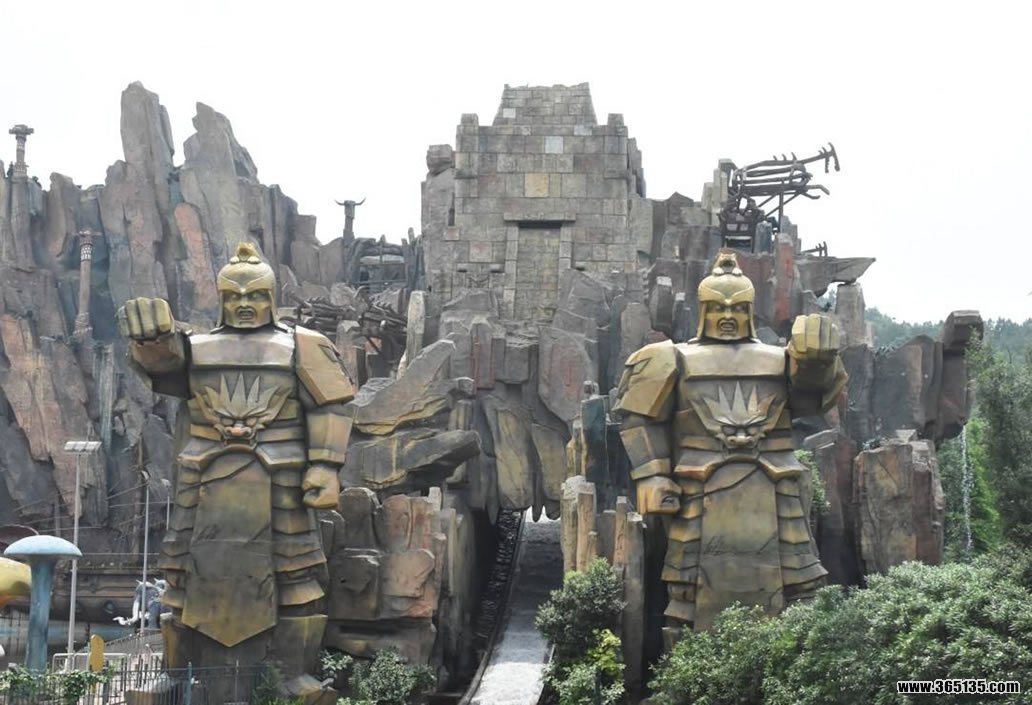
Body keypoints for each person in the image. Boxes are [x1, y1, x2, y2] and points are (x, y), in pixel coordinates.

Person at [118, 242, 355, 697]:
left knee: (296, 578)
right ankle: (176, 674)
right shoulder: (197, 348)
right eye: (235, 296)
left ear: (272, 297)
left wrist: (326, 466)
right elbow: (163, 363)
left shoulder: (302, 345)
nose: (245, 305)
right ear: (222, 299)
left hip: (283, 481)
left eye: (256, 295)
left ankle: (292, 676)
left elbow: (330, 406)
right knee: (180, 580)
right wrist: (150, 339)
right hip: (201, 484)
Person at [614, 249, 846, 645]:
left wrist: (817, 362)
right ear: (703, 310)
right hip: (698, 490)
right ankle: (688, 666)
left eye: (738, 308)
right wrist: (652, 474)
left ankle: (791, 664)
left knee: (799, 585)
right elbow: (640, 418)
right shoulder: (672, 358)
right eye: (718, 308)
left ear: (750, 311)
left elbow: (813, 401)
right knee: (687, 591)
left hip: (776, 490)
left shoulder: (781, 360)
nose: (727, 316)